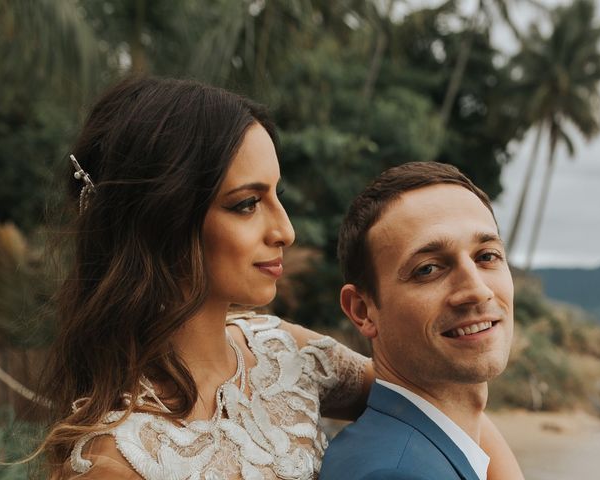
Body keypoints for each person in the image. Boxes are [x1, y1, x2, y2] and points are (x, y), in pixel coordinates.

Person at [34, 77, 521, 479]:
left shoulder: (285, 353)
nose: (284, 230)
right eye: (246, 204)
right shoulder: (115, 458)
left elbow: (444, 401)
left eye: (275, 194)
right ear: (163, 220)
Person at [320, 162, 524, 480]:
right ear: (362, 310)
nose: (477, 291)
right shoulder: (395, 473)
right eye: (428, 269)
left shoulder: (431, 446)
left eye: (486, 256)